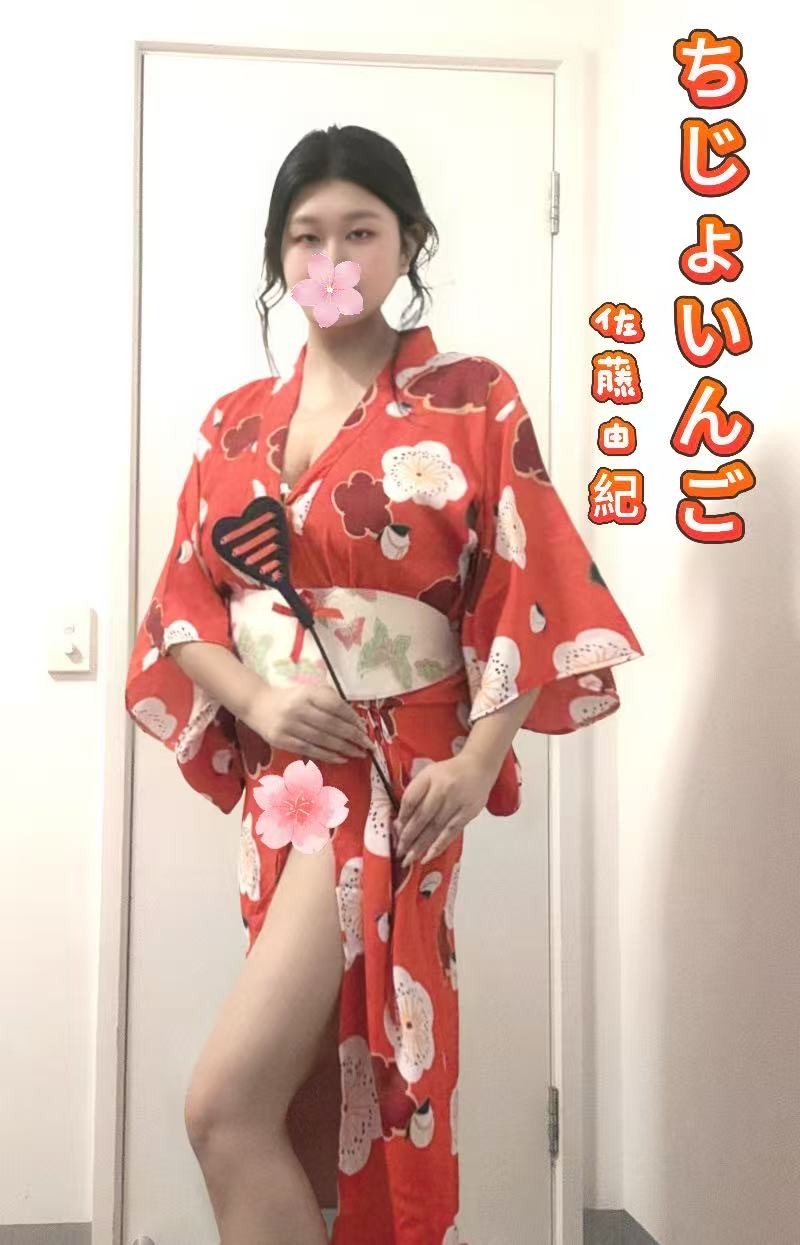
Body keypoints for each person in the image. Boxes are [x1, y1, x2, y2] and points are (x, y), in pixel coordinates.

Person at [125, 123, 645, 1245]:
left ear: (407, 240)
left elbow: (530, 585)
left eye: (358, 230)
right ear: (279, 256)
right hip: (283, 785)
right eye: (305, 236)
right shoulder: (232, 420)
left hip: (388, 780)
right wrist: (259, 702)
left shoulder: (470, 397)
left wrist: (476, 758)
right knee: (309, 1105)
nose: (331, 259)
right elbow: (181, 610)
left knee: (223, 1106)